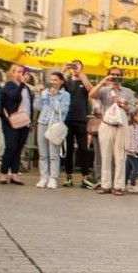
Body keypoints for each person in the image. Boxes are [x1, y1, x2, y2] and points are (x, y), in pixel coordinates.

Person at [89, 67, 135, 196]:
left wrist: (121, 104)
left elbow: (132, 110)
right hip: (107, 124)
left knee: (120, 157)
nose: (115, 77)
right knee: (105, 155)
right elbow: (92, 94)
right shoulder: (104, 90)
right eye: (112, 75)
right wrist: (103, 82)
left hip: (121, 124)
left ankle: (119, 186)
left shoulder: (127, 92)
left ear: (122, 77)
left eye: (118, 75)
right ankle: (105, 185)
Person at [33, 71, 71, 189]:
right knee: (43, 153)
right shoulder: (45, 92)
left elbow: (63, 110)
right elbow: (37, 107)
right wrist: (38, 94)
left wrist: (54, 97)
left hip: (54, 125)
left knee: (54, 153)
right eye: (51, 80)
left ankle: (53, 178)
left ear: (61, 81)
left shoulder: (65, 95)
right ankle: (43, 177)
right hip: (42, 123)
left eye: (55, 80)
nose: (53, 82)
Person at [0, 64, 33, 185]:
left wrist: (30, 121)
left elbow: (29, 105)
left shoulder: (26, 88)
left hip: (24, 121)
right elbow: (13, 96)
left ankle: (14, 174)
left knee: (18, 149)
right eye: (18, 72)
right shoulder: (10, 85)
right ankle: (3, 173)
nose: (21, 74)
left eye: (23, 72)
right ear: (12, 73)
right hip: (11, 122)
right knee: (11, 147)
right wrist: (22, 84)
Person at [61, 60, 94, 188]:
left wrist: (81, 73)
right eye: (73, 66)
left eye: (77, 65)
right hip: (67, 119)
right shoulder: (67, 82)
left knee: (83, 149)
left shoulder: (83, 82)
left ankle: (85, 177)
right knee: (68, 149)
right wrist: (63, 71)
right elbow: (58, 86)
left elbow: (91, 90)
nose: (74, 68)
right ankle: (69, 176)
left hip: (80, 119)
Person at [125, 110, 138, 194]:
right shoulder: (130, 127)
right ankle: (132, 185)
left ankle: (125, 184)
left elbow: (137, 139)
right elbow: (129, 139)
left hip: (133, 150)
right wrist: (131, 150)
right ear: (134, 116)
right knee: (136, 168)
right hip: (130, 151)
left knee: (128, 169)